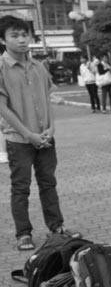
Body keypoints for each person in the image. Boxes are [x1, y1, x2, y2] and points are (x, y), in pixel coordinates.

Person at [0, 15, 80, 250]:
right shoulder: (2, 68)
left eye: (25, 34)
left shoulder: (38, 66)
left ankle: (56, 227)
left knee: (48, 183)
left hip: (45, 137)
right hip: (19, 140)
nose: (22, 40)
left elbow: (47, 98)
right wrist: (28, 134)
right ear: (3, 40)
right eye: (15, 35)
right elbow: (2, 108)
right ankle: (23, 233)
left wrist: (51, 128)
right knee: (21, 187)